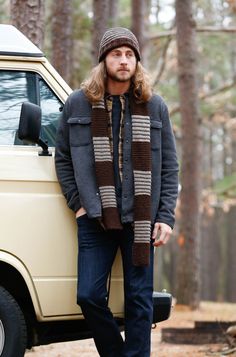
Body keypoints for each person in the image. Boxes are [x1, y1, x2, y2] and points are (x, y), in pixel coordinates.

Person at [55, 27, 179, 357]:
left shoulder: (155, 106)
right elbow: (63, 157)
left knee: (139, 301)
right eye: (116, 54)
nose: (123, 61)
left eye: (129, 55)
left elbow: (170, 166)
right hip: (95, 216)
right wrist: (78, 204)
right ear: (103, 60)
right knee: (89, 296)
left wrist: (165, 216)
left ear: (137, 61)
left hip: (140, 219)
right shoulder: (78, 103)